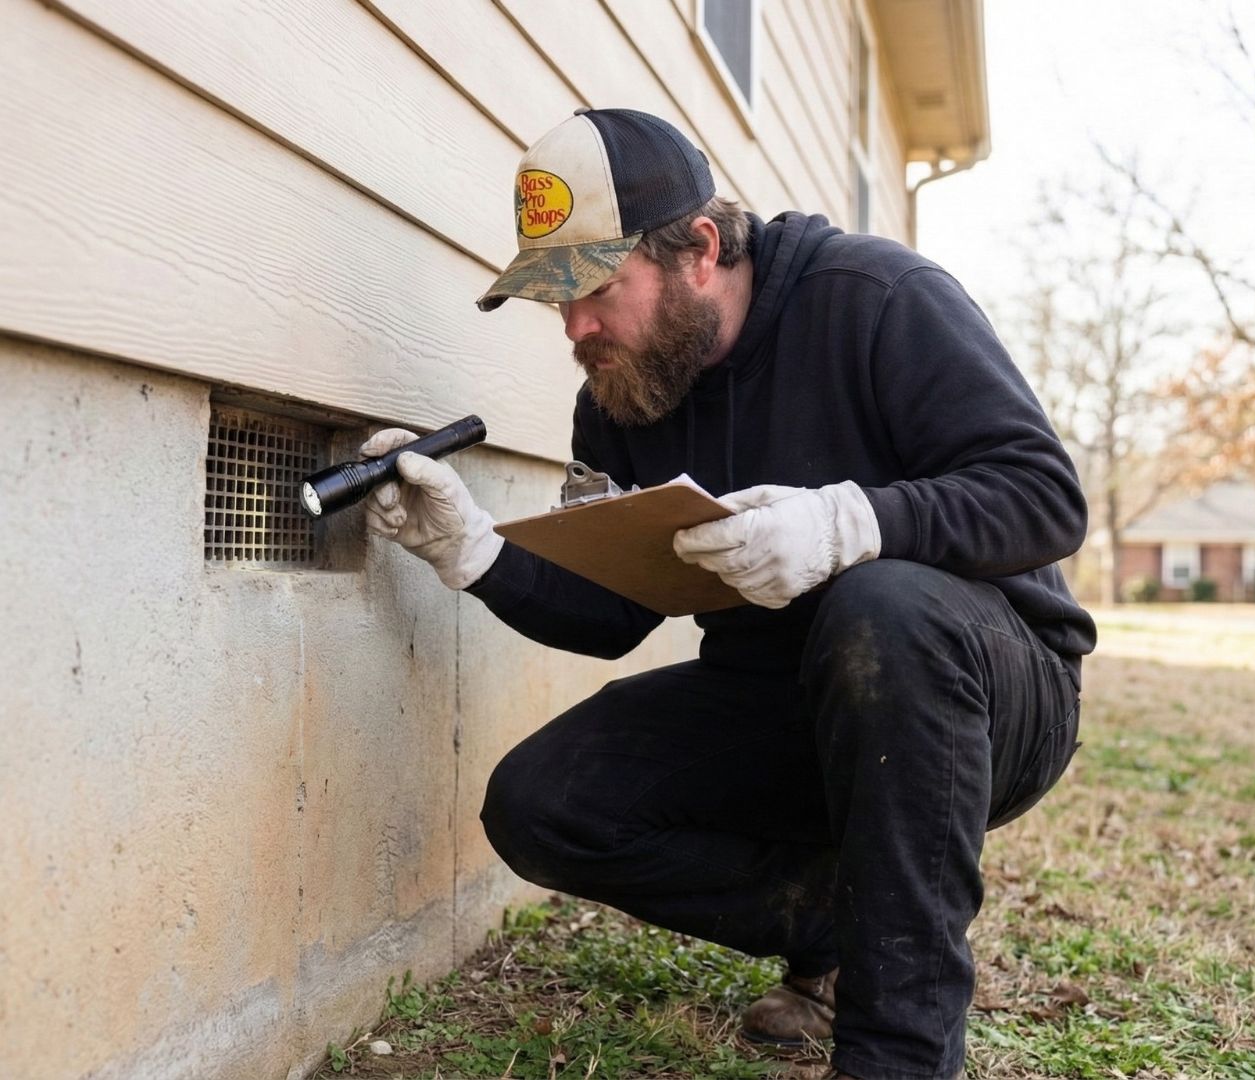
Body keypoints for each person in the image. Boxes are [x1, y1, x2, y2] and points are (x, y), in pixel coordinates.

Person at [359, 108, 1094, 1080]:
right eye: (555, 298)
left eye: (596, 288)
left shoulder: (877, 299)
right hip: (785, 701)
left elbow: (1044, 497)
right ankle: (854, 916)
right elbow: (614, 612)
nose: (576, 327)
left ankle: (900, 1050)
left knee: (884, 610)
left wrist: (849, 524)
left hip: (986, 691)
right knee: (543, 804)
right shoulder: (619, 394)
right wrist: (474, 550)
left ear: (698, 249)